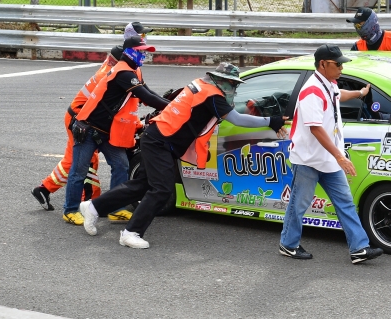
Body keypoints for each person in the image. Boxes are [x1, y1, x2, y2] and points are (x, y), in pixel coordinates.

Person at [78, 62, 287, 249]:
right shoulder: (212, 95)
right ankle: (131, 233)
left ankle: (94, 207)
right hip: (160, 141)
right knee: (162, 188)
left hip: (158, 138)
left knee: (143, 184)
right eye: (232, 84)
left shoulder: (201, 86)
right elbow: (237, 119)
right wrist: (272, 121)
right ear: (221, 80)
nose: (234, 88)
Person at [279, 45, 383, 264]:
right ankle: (288, 244)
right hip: (308, 159)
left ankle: (359, 248)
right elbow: (316, 129)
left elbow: (338, 95)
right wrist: (340, 156)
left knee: (345, 202)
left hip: (328, 159)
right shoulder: (311, 91)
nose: (342, 68)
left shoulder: (329, 83)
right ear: (323, 64)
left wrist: (359, 93)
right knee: (299, 204)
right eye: (338, 64)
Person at [62, 36, 170, 225]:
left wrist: (173, 104)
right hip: (88, 129)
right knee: (79, 171)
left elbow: (149, 93)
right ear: (129, 52)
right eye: (141, 51)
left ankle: (116, 209)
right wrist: (177, 109)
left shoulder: (131, 71)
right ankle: (70, 210)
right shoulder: (123, 73)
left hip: (106, 132)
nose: (144, 55)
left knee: (121, 165)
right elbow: (147, 97)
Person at [30, 45, 123, 213]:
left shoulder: (108, 66)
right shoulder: (108, 76)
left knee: (72, 160)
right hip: (80, 120)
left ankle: (44, 189)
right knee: (87, 161)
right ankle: (90, 203)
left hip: (75, 115)